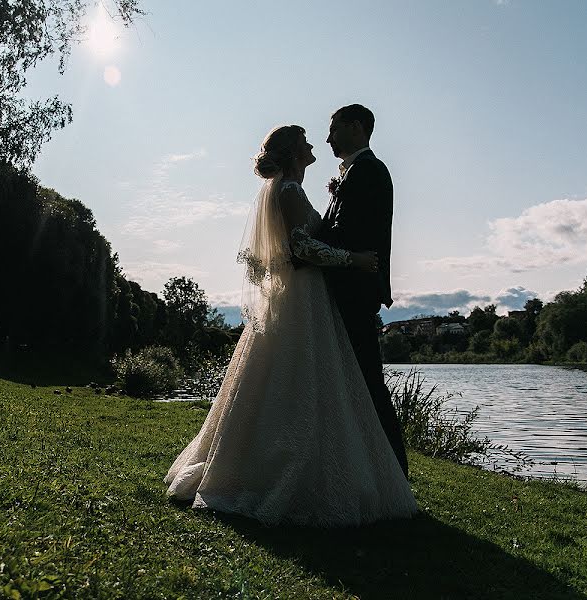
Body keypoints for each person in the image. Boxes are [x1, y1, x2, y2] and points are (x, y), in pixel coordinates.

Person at [164, 125, 417, 527]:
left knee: (290, 379)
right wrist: (353, 259)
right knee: (304, 377)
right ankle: (284, 473)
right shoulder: (289, 191)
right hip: (303, 293)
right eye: (306, 140)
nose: (317, 143)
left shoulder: (284, 190)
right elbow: (302, 247)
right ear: (294, 152)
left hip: (303, 293)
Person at [321, 104, 409, 476]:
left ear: (356, 127)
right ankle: (363, 466)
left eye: (334, 129)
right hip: (348, 289)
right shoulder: (356, 172)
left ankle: (393, 472)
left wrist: (304, 241)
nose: (328, 138)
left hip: (355, 292)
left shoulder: (368, 171)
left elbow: (348, 236)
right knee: (354, 382)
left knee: (369, 382)